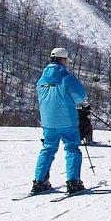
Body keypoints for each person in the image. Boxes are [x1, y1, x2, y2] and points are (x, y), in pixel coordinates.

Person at [30, 48, 88, 195]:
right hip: (66, 119)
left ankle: (39, 181)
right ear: (63, 60)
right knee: (72, 149)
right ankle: (73, 182)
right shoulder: (66, 77)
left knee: (48, 149)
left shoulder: (42, 79)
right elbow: (81, 95)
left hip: (47, 121)